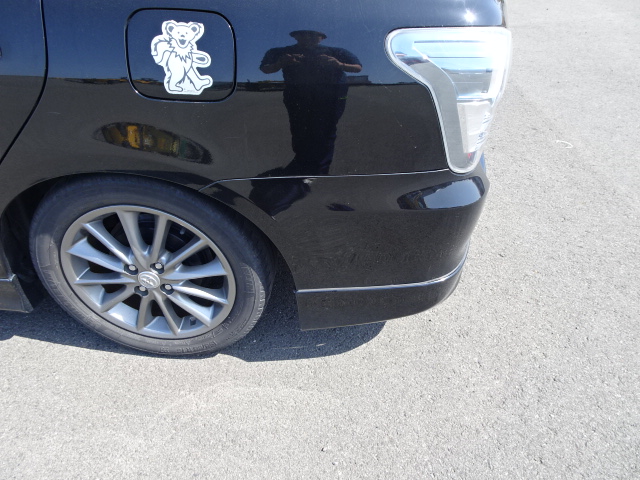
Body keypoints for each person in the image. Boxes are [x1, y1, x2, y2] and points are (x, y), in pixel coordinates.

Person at [259, 30, 362, 176]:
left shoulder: (336, 51)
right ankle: (302, 162)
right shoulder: (281, 52)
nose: (307, 37)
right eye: (302, 34)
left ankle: (321, 169)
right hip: (297, 95)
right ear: (295, 36)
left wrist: (339, 64)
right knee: (299, 129)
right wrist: (281, 63)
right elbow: (265, 69)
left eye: (312, 35)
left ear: (321, 38)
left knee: (326, 130)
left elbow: (358, 67)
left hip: (330, 95)